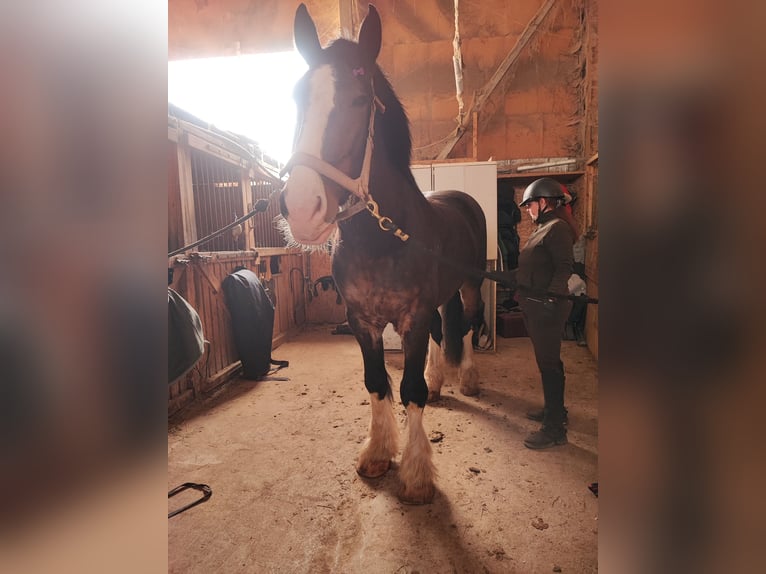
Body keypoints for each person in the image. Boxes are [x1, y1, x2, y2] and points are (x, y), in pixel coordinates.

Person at [516, 177, 576, 449]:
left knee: (549, 364)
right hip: (535, 304)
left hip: (547, 308)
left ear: (543, 202)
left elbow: (564, 267)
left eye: (529, 204)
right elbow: (533, 268)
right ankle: (556, 410)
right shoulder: (543, 228)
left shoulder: (557, 228)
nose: (528, 210)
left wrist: (551, 298)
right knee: (548, 362)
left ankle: (554, 430)